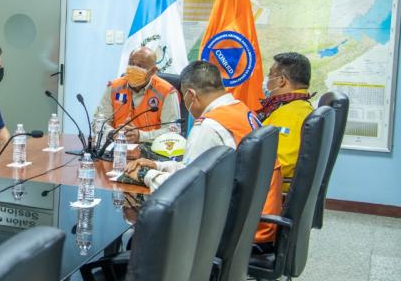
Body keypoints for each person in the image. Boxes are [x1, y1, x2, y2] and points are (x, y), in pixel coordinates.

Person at [126, 60, 283, 246]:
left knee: (137, 237)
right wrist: (159, 165)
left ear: (191, 94)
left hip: (236, 230)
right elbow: (199, 170)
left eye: (183, 97)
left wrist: (145, 175)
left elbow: (189, 189)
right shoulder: (241, 111)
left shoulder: (209, 127)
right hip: (259, 217)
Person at [94, 46, 181, 144]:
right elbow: (98, 121)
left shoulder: (167, 92)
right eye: (131, 64)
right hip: (116, 147)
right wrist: (112, 133)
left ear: (153, 71)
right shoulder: (114, 87)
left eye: (141, 66)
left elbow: (173, 132)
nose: (134, 69)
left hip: (150, 151)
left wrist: (141, 136)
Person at [257, 52, 314, 192]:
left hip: (271, 193)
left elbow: (282, 164)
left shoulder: (290, 114)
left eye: (270, 75)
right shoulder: (297, 105)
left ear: (281, 80)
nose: (266, 80)